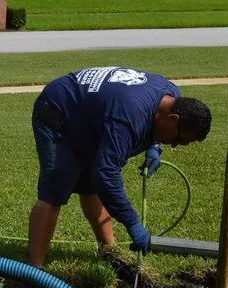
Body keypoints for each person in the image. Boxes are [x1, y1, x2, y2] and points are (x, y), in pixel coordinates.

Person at [28, 66, 212, 268]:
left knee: (90, 185)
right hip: (58, 109)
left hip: (90, 115)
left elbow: (100, 176)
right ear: (173, 118)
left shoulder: (171, 95)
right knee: (55, 188)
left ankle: (110, 252)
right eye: (179, 139)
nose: (176, 145)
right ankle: (36, 270)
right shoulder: (128, 119)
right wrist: (132, 223)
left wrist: (155, 145)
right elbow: (106, 175)